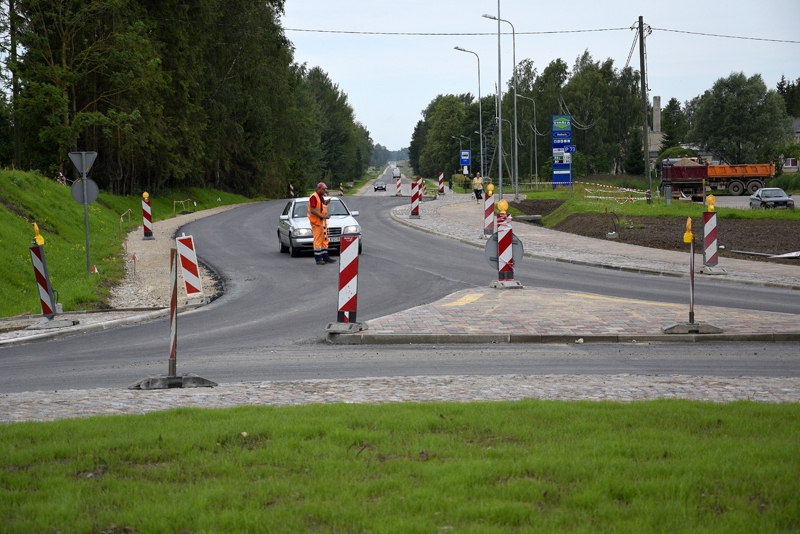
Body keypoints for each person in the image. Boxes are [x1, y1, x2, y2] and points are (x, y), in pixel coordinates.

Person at [307, 182, 336, 265]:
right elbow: (312, 210)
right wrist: (322, 216)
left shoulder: (321, 197)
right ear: (319, 188)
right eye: (323, 189)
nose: (325, 190)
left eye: (325, 189)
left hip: (322, 222)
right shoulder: (314, 197)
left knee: (324, 240)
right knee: (318, 240)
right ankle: (318, 258)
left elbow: (320, 207)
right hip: (316, 222)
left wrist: (326, 203)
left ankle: (325, 257)